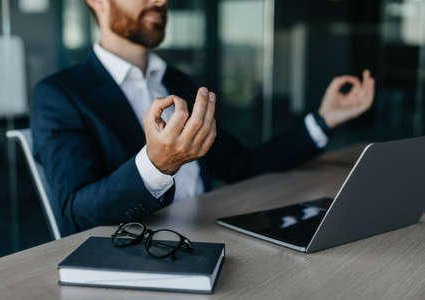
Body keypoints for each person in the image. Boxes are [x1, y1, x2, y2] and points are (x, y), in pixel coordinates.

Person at [31, 0, 375, 236]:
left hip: (214, 231)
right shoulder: (61, 94)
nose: (161, 0)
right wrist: (157, 165)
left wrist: (324, 119)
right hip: (144, 251)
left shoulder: (178, 82)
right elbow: (75, 215)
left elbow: (241, 164)